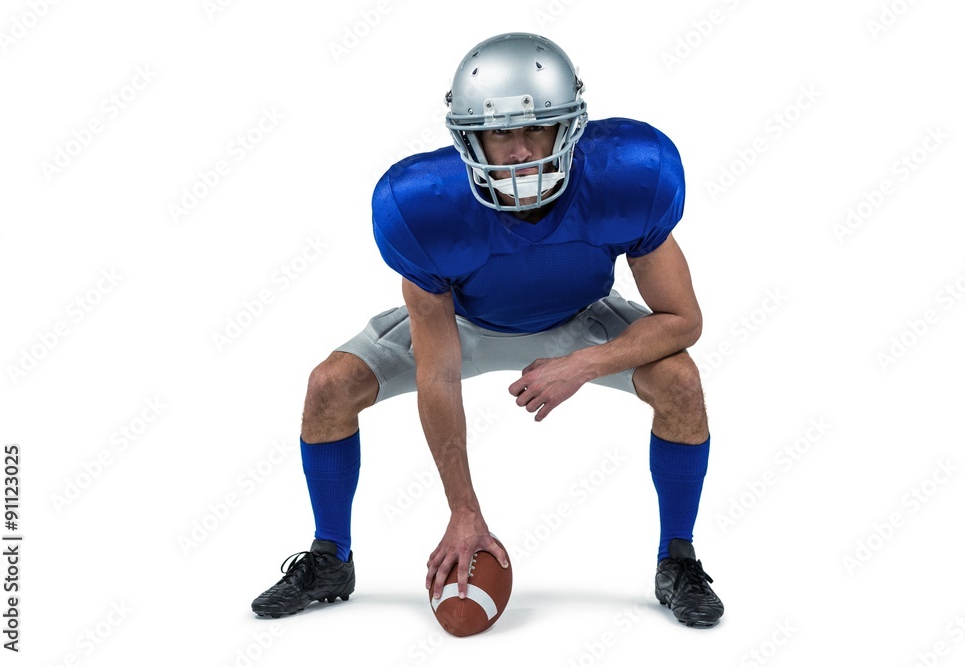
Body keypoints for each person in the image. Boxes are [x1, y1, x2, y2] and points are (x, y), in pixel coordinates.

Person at [251, 32, 724, 628]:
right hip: (463, 322)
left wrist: (580, 365)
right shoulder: (423, 207)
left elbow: (684, 321)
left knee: (681, 383)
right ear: (469, 138)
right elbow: (438, 374)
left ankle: (677, 559)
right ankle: (329, 557)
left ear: (572, 126)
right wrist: (463, 512)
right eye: (501, 132)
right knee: (329, 387)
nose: (522, 151)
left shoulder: (629, 175)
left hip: (582, 318)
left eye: (538, 128)